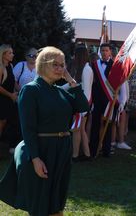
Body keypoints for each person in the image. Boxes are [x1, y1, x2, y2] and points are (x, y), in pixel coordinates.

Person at [0, 46, 89, 216]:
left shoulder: (59, 91)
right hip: (42, 150)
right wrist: (35, 159)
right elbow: (28, 128)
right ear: (43, 65)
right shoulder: (31, 90)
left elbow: (83, 106)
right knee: (40, 205)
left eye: (62, 65)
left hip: (61, 151)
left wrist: (70, 80)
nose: (60, 68)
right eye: (55, 64)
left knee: (57, 203)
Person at [69, 45, 93, 161]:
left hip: (82, 105)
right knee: (80, 129)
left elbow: (87, 91)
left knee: (77, 130)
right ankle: (87, 154)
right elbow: (74, 84)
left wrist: (83, 109)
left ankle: (75, 155)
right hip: (81, 104)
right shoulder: (81, 69)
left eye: (75, 54)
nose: (73, 56)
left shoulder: (86, 69)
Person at [90, 43, 114, 158]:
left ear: (110, 52)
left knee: (107, 125)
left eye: (106, 50)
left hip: (109, 100)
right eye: (102, 50)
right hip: (96, 99)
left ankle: (106, 150)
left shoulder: (115, 66)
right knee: (95, 124)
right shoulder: (94, 65)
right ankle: (93, 149)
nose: (104, 52)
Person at [0, 44, 19, 153]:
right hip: (3, 100)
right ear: (3, 54)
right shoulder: (0, 67)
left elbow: (14, 82)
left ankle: (11, 147)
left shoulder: (10, 66)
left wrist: (22, 89)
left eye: (12, 52)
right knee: (1, 125)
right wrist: (11, 95)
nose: (12, 54)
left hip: (9, 100)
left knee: (13, 122)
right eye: (10, 53)